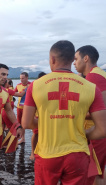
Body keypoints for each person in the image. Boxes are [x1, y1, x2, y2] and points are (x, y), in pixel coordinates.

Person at [22, 40, 106, 185]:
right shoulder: (91, 87)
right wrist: (81, 133)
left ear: (52, 59)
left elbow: (26, 122)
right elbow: (102, 129)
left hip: (47, 154)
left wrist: (50, 121)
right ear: (71, 59)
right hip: (78, 155)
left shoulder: (36, 85)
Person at [74, 45, 106, 185]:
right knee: (99, 172)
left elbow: (100, 111)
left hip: (96, 133)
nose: (74, 63)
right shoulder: (100, 73)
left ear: (85, 58)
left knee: (91, 174)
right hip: (99, 132)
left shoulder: (93, 77)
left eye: (76, 59)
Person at [29, 72, 46, 161]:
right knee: (36, 133)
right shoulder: (35, 88)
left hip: (47, 116)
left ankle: (43, 150)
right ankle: (32, 152)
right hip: (37, 115)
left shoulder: (49, 88)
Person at [14, 72, 31, 144]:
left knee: (25, 123)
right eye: (20, 78)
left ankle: (24, 138)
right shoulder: (18, 85)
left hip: (27, 108)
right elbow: (13, 93)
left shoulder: (31, 85)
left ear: (27, 78)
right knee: (19, 123)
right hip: (19, 107)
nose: (21, 80)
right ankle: (22, 138)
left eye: (23, 78)